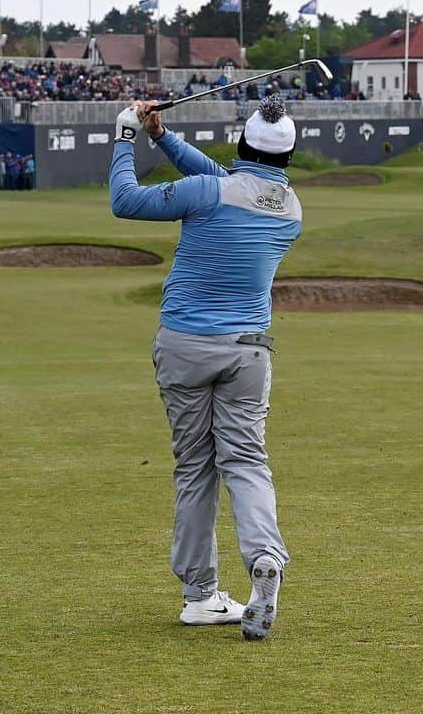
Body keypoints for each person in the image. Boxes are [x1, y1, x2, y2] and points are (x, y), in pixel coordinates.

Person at [109, 94, 300, 641]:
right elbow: (226, 182)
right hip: (248, 352)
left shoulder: (209, 193)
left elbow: (125, 201)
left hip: (185, 345)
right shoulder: (290, 210)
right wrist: (162, 137)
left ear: (241, 142)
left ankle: (199, 596)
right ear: (287, 156)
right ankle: (265, 556)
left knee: (195, 468)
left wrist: (125, 138)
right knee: (247, 460)